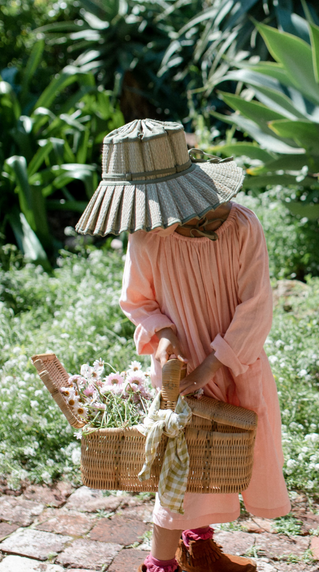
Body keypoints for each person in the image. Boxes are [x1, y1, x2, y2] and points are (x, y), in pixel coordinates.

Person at [75, 119, 291, 572]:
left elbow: (256, 307)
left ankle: (199, 547)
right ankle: (161, 565)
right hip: (179, 368)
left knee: (220, 458)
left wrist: (214, 366)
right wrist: (166, 335)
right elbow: (139, 301)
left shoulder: (242, 228)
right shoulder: (148, 238)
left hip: (236, 360)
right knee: (179, 465)